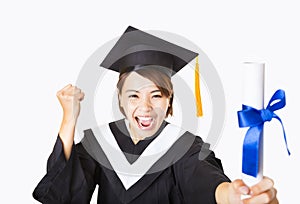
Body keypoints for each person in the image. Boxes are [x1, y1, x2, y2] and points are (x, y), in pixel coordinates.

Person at [33, 26, 278, 204]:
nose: (146, 107)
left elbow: (207, 183)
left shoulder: (182, 146)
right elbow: (62, 194)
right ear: (119, 99)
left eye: (156, 95)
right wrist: (69, 119)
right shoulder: (101, 142)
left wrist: (233, 196)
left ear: (169, 99)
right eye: (134, 96)